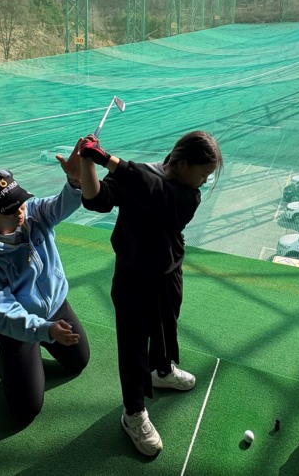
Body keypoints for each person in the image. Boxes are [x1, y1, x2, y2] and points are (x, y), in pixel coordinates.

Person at [79, 130, 223, 457]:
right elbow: (96, 200)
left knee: (166, 328)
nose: (203, 182)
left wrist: (107, 159)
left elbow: (155, 192)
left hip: (169, 272)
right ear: (182, 163)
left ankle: (162, 371)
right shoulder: (140, 173)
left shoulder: (186, 196)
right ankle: (133, 413)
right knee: (132, 347)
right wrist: (89, 160)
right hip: (131, 277)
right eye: (202, 174)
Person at [0, 139, 91, 424]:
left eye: (20, 200)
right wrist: (45, 330)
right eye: (10, 208)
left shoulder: (33, 213)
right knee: (26, 410)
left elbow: (62, 204)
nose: (20, 210)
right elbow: (7, 313)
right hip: (18, 327)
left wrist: (74, 179)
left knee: (79, 361)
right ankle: (3, 353)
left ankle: (41, 343)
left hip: (55, 307)